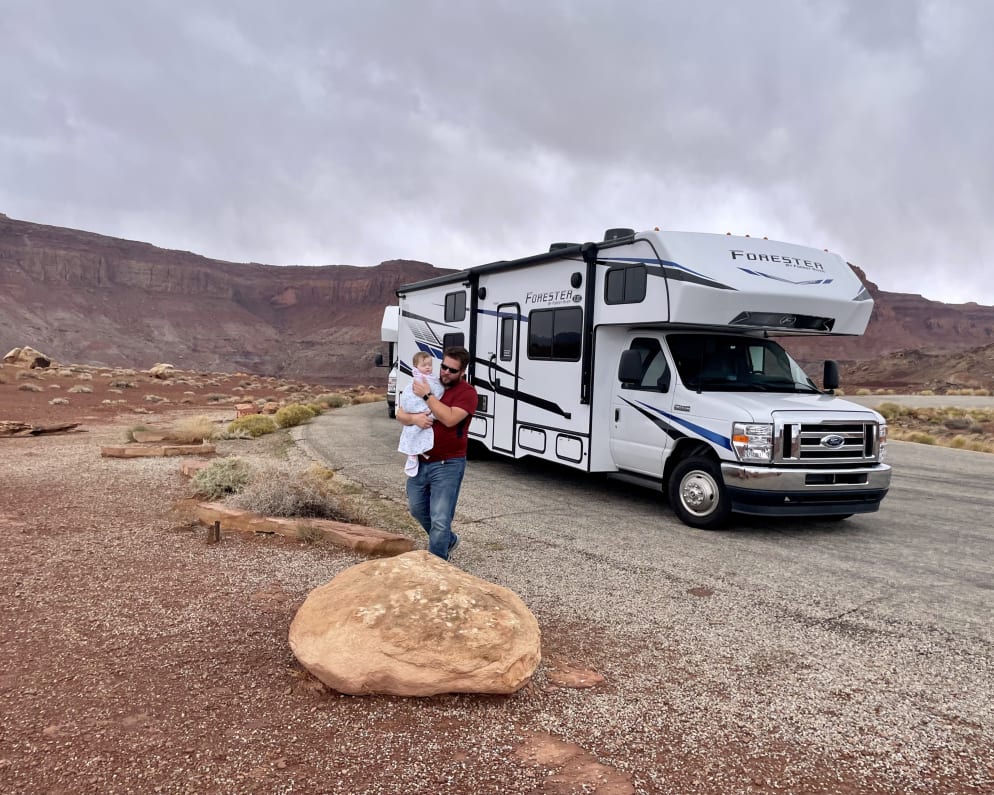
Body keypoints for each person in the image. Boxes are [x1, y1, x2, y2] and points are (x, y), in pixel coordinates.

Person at [395, 346, 477, 561]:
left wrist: (427, 395)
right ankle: (448, 540)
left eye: (452, 370)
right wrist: (414, 419)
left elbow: (449, 418)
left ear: (462, 372)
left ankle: (437, 564)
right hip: (421, 459)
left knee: (440, 518)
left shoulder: (467, 393)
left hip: (448, 464)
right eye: (443, 367)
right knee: (416, 508)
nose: (445, 373)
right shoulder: (429, 382)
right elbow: (401, 412)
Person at [397, 351, 445, 476]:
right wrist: (417, 410)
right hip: (421, 410)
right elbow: (408, 398)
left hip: (428, 409)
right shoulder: (417, 380)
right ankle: (413, 453)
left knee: (422, 428)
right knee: (414, 430)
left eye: (430, 364)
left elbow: (438, 391)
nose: (428, 367)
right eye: (424, 365)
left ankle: (419, 450)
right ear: (416, 367)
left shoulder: (432, 379)